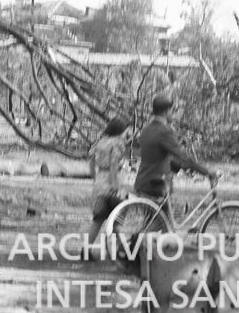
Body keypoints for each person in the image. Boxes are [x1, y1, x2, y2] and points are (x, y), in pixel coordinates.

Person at [134, 92, 217, 213]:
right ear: (167, 111)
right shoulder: (164, 131)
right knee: (163, 228)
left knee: (157, 226)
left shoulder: (146, 130)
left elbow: (155, 156)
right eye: (173, 111)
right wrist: (206, 171)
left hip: (142, 183)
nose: (173, 114)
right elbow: (184, 157)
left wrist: (181, 167)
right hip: (156, 186)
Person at [86, 116, 128, 250]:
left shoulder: (101, 141)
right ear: (121, 130)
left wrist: (95, 177)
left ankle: (86, 249)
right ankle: (125, 250)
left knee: (98, 219)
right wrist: (114, 185)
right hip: (111, 181)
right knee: (117, 219)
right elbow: (114, 164)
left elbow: (91, 161)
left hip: (99, 181)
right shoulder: (118, 143)